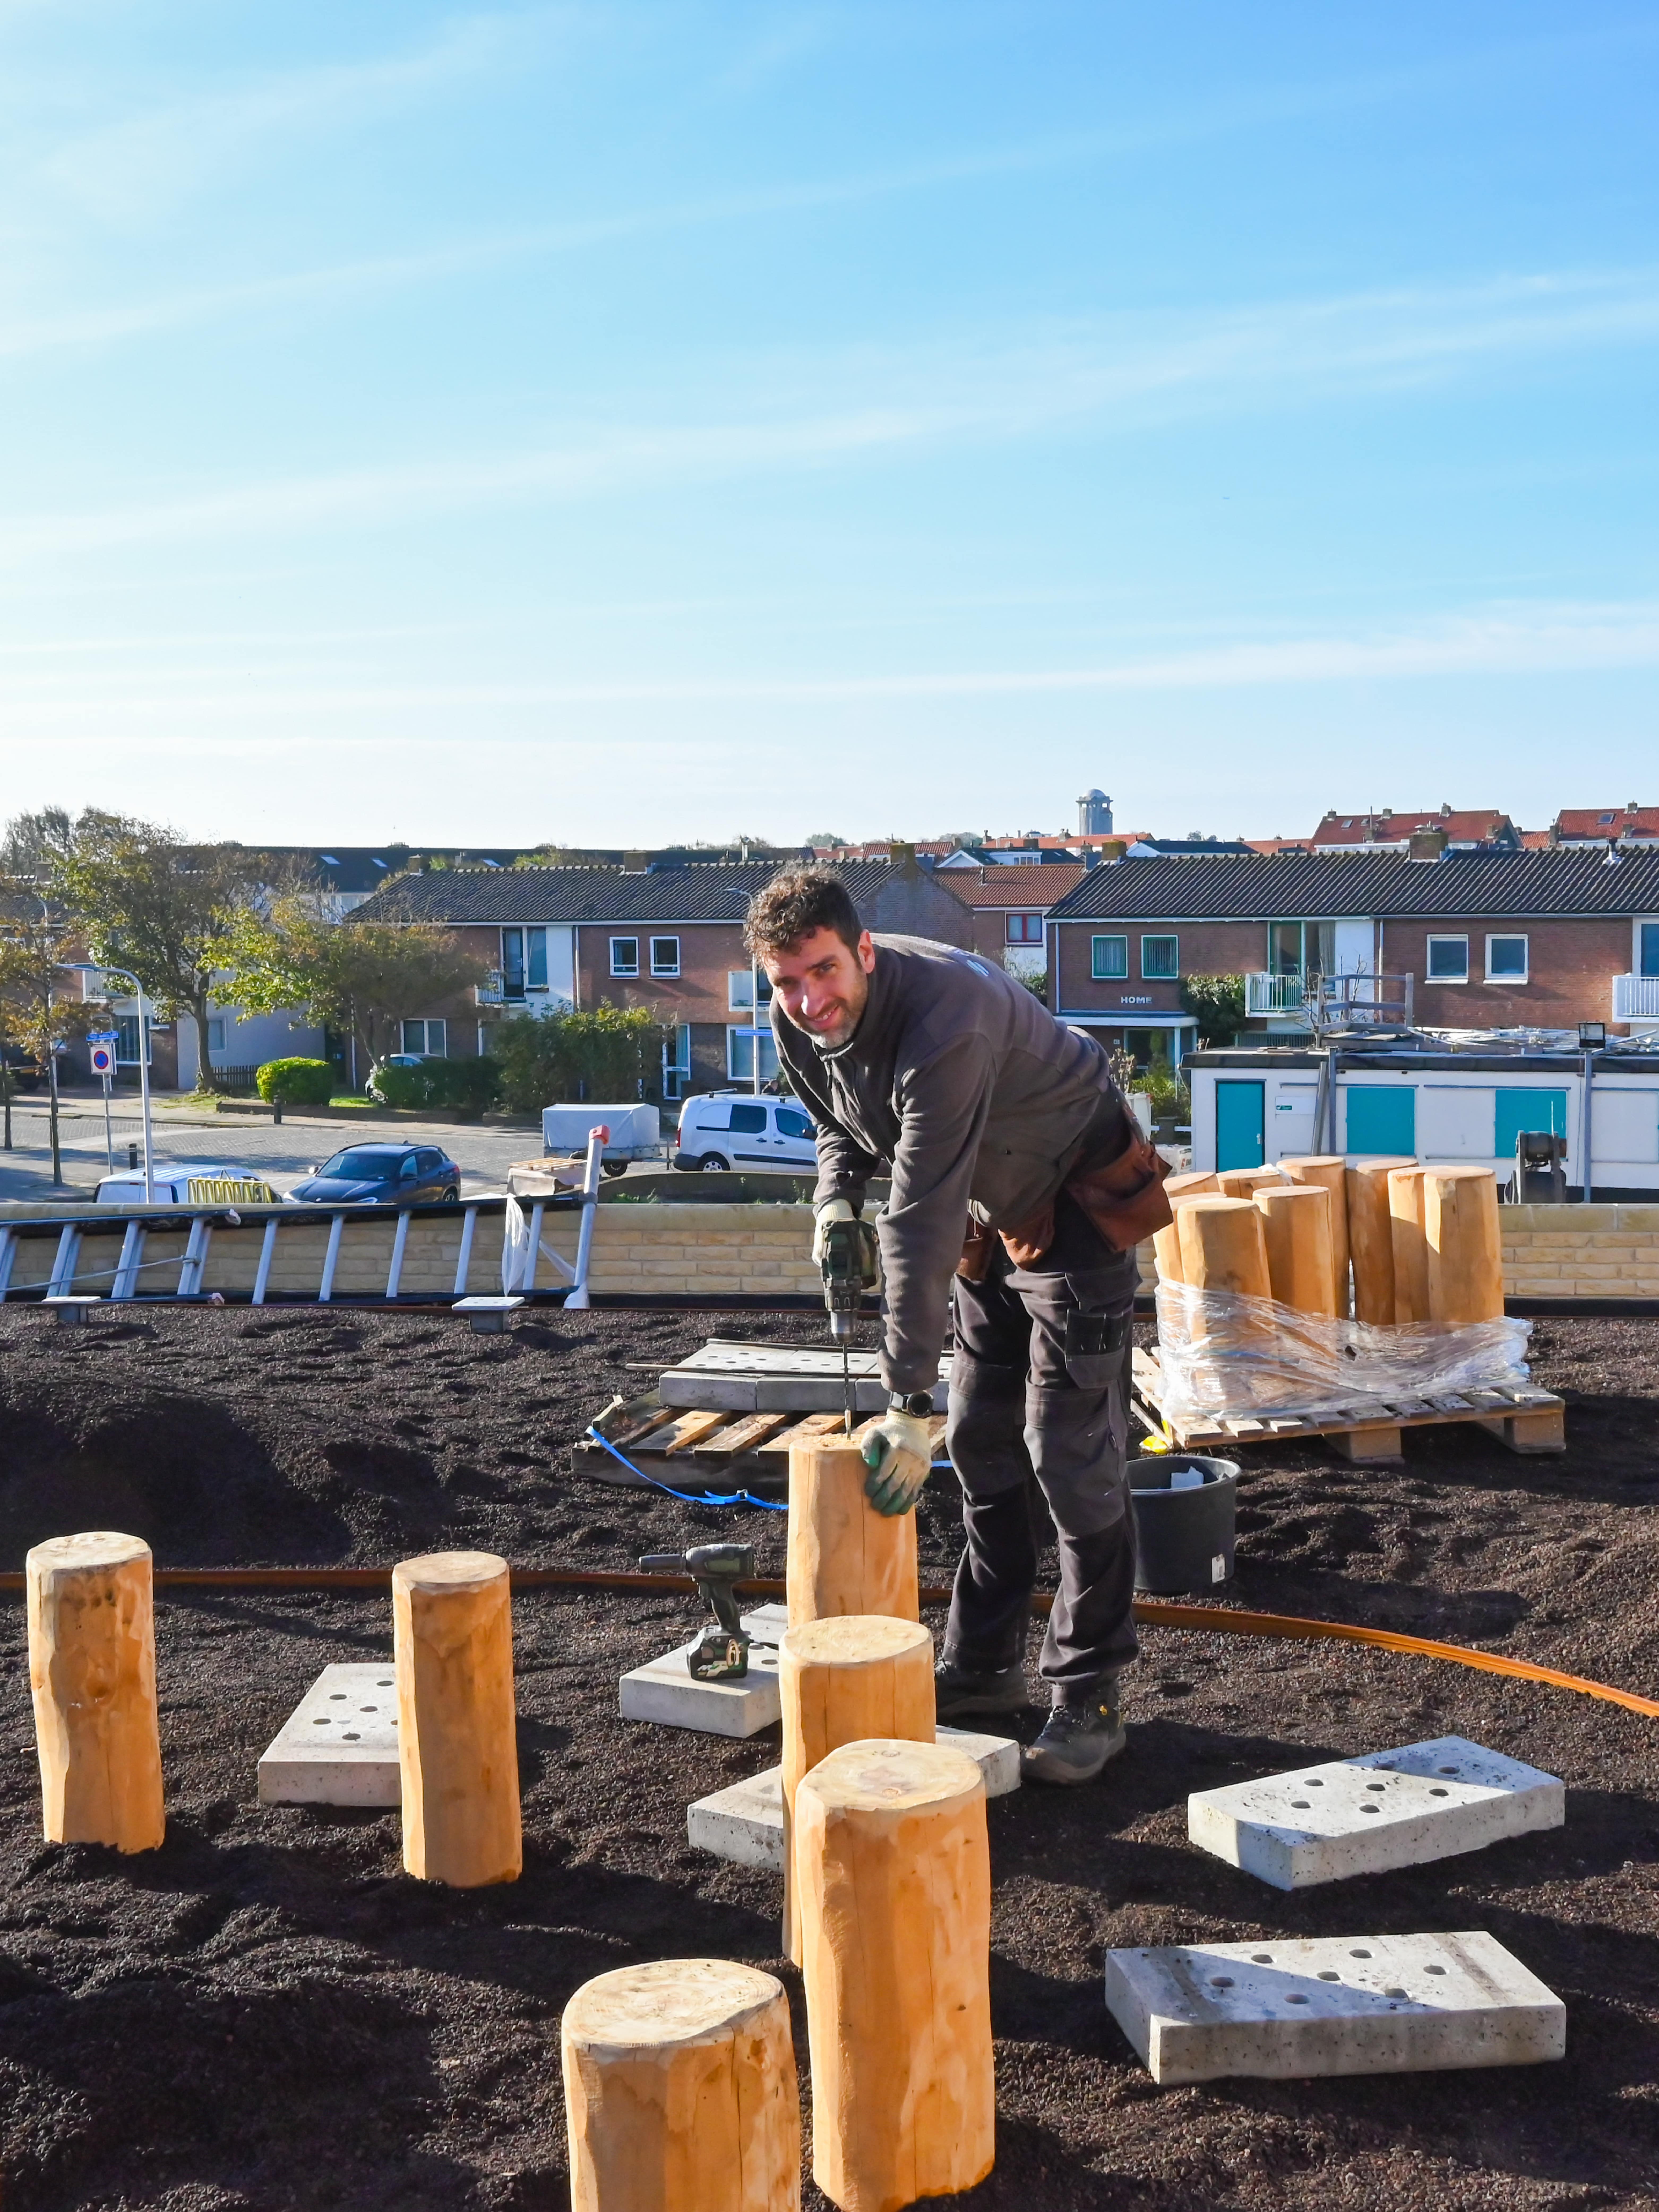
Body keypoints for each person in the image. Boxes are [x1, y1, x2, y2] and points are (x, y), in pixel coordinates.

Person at [745, 868, 1172, 1784]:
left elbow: (919, 1221)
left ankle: (1090, 1694)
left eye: (823, 972)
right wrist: (834, 1203)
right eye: (787, 981)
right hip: (991, 1200)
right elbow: (842, 1121)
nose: (808, 1000)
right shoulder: (797, 1014)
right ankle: (982, 1666)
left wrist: (905, 1400)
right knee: (980, 1437)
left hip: (1074, 1200)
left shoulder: (947, 1023)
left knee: (1070, 1454)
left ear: (863, 951)